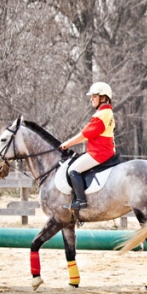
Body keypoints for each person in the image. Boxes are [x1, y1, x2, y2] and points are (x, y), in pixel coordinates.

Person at [59, 82, 116, 210]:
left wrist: (67, 143)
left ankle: (81, 201)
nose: (91, 99)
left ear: (103, 98)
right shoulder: (106, 113)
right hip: (104, 151)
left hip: (98, 153)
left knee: (73, 170)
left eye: (94, 96)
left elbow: (84, 135)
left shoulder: (101, 115)